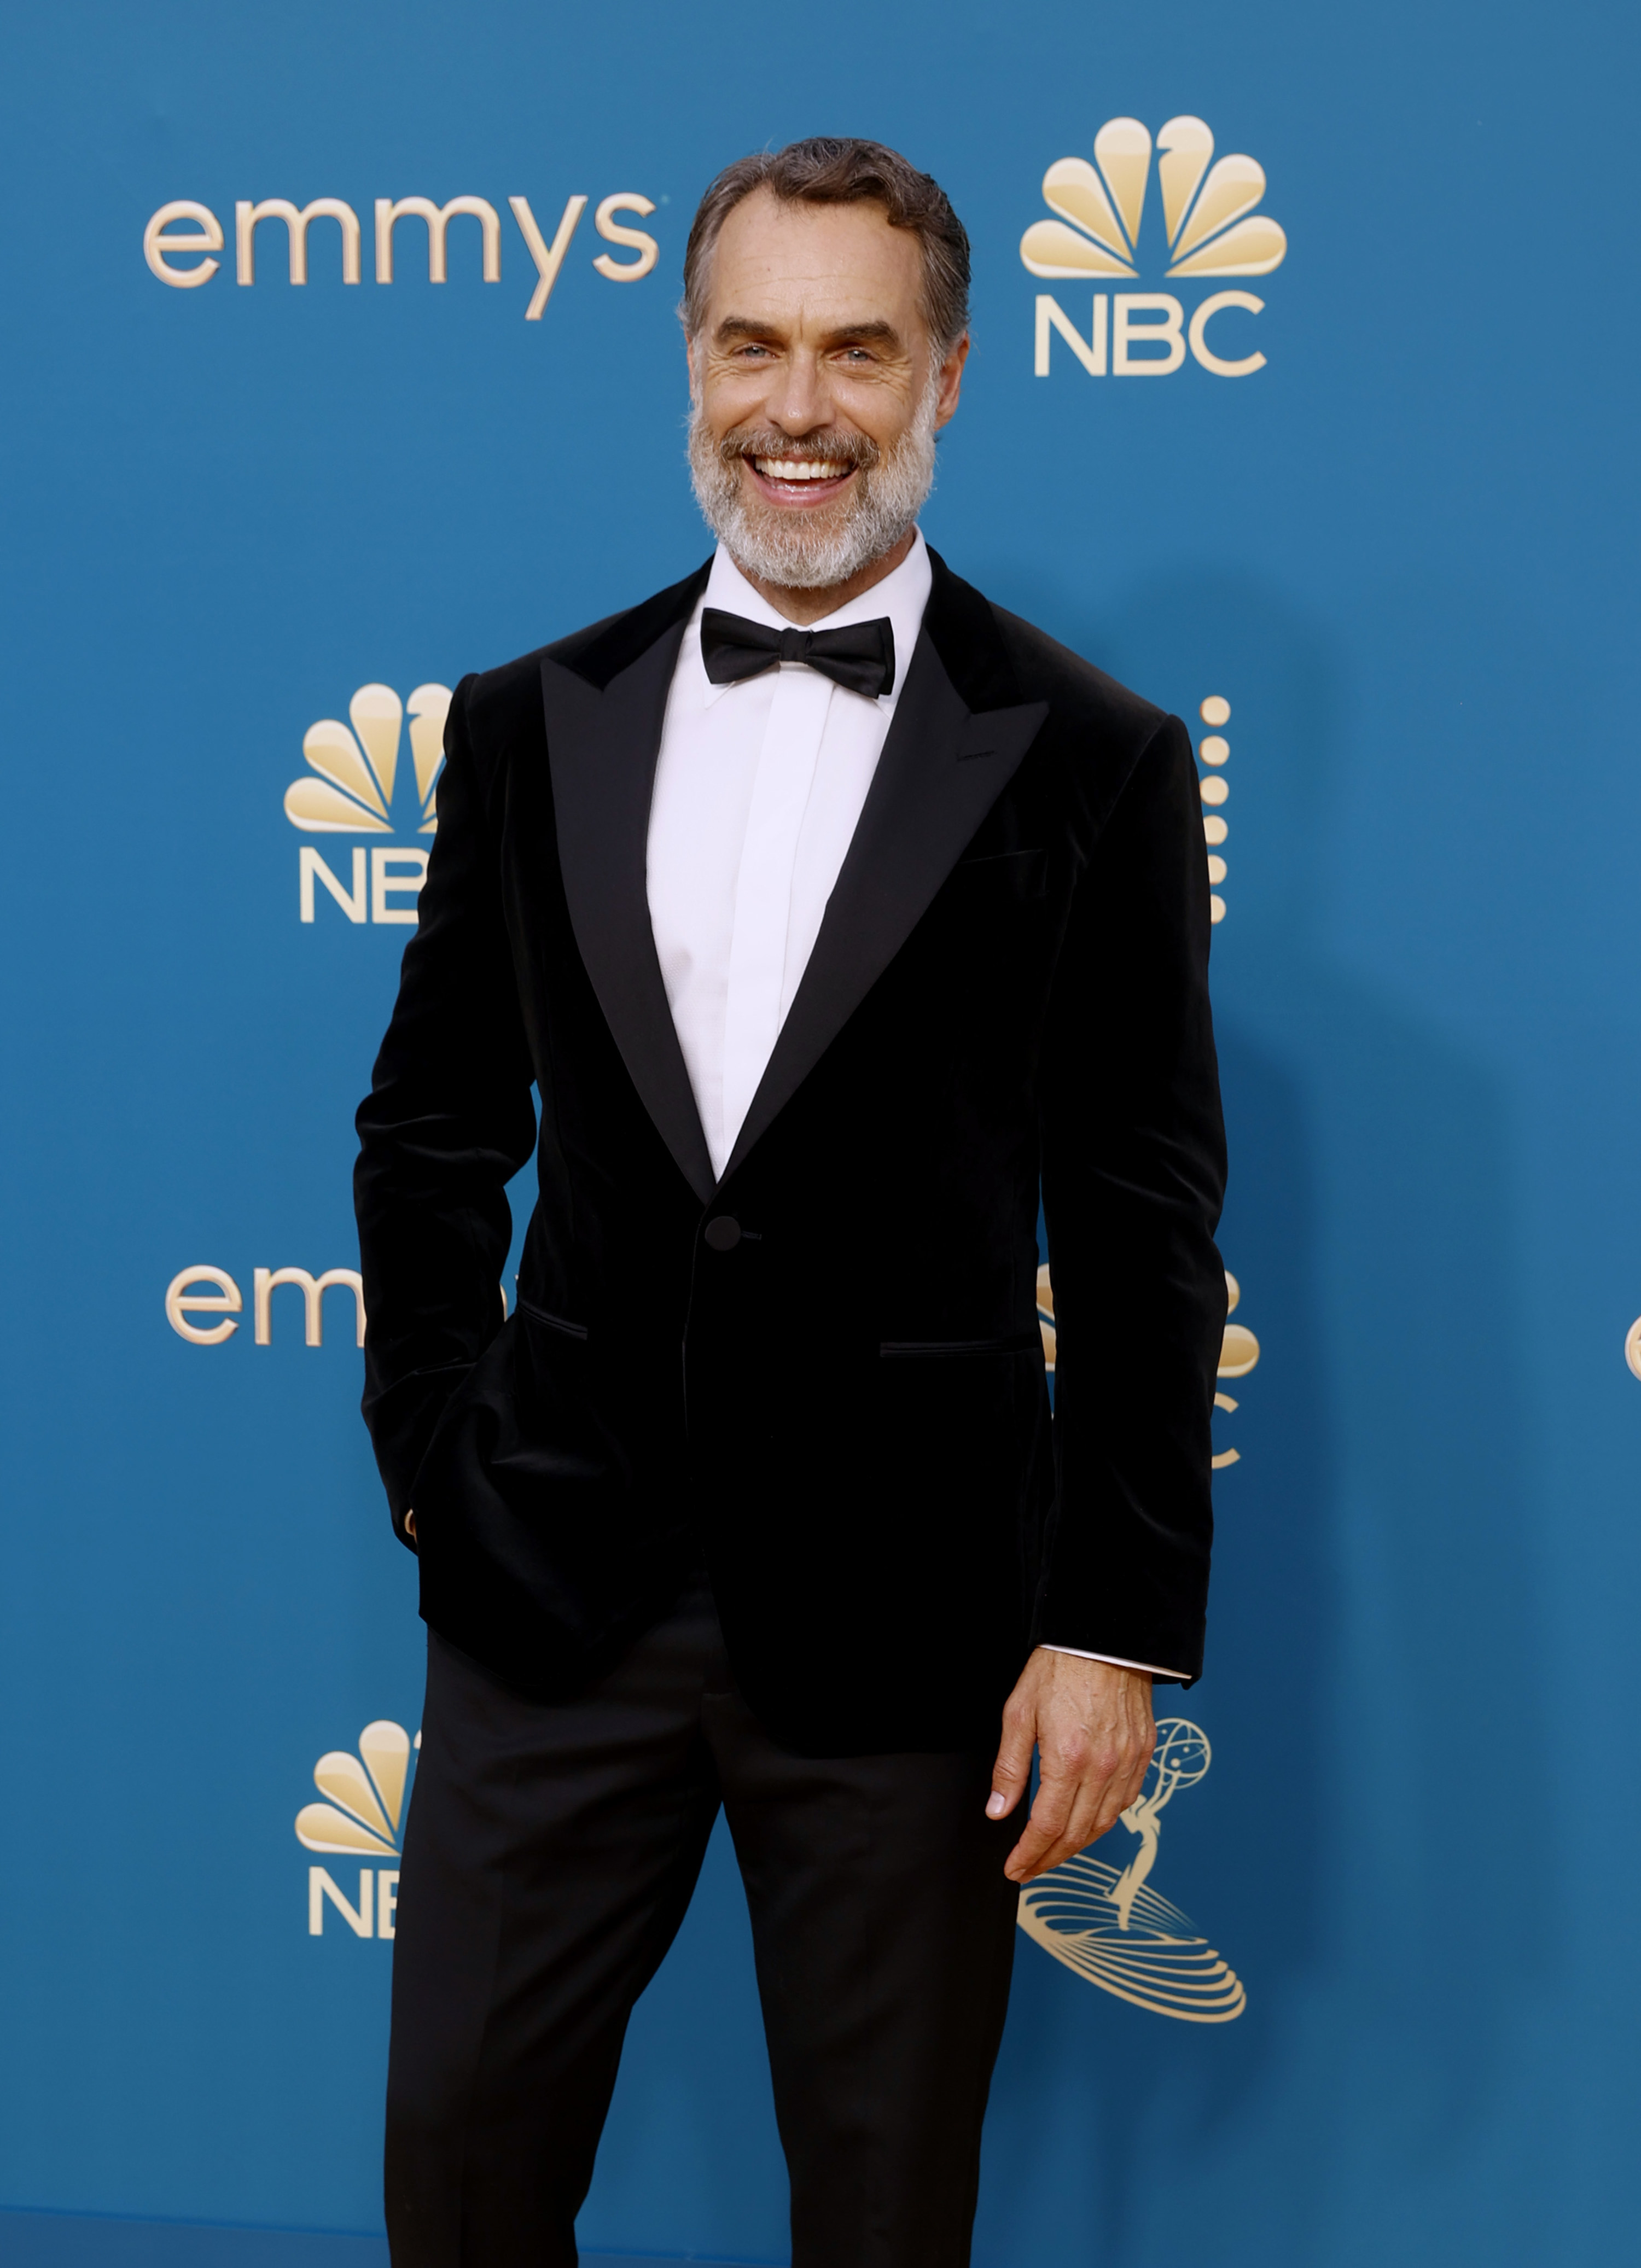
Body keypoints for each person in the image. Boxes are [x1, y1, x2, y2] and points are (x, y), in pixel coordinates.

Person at [354, 135, 1227, 2268]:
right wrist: (436, 1459)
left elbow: (1139, 1213)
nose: (798, 405)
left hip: (917, 1615)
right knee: (459, 2177)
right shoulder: (523, 722)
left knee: (880, 2203)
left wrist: (1111, 1620)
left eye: (857, 348)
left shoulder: (1093, 755)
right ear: (692, 361)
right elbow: (430, 1127)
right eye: (753, 343)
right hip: (554, 1577)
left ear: (948, 380)